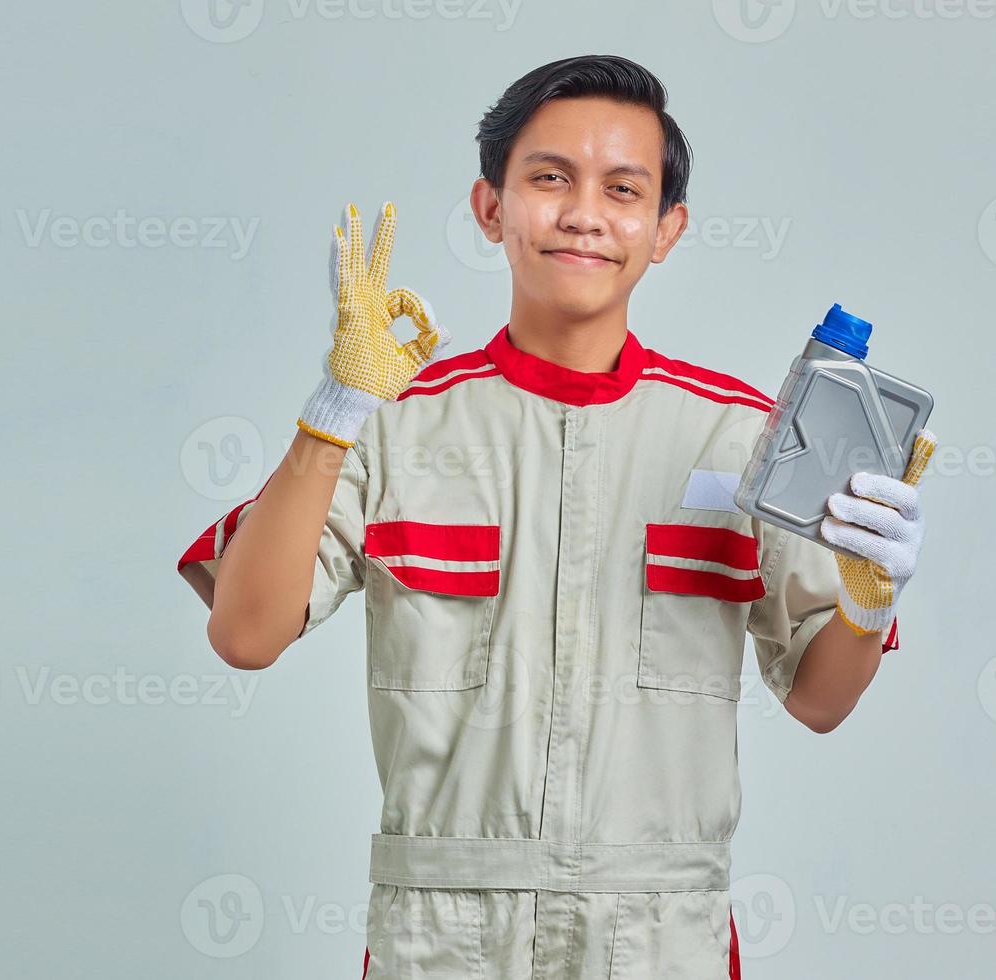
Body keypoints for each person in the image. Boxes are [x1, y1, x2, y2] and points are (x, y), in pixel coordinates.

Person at [177, 54, 936, 980]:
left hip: (663, 941)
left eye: (624, 189)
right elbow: (245, 635)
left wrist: (868, 601)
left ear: (666, 229)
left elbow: (819, 701)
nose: (584, 213)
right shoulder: (396, 421)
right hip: (444, 942)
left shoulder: (741, 440)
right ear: (491, 207)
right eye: (549, 178)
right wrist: (335, 412)